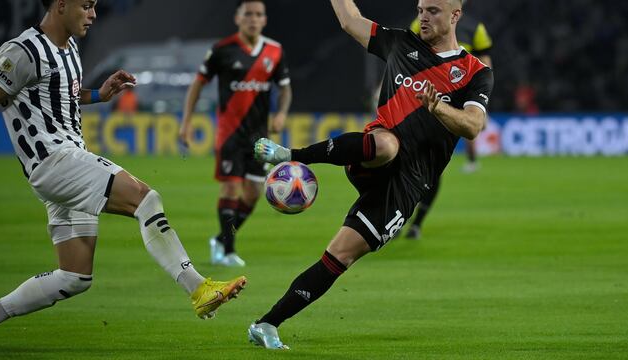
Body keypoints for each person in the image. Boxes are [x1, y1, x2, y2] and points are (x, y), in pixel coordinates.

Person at [247, 0, 494, 349]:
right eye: (421, 8)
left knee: (340, 255)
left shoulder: (474, 72)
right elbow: (350, 20)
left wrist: (437, 106)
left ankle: (266, 324)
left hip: (410, 182)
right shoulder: (399, 43)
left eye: (433, 10)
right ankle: (292, 155)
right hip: (372, 156)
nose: (423, 15)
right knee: (387, 144)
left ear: (455, 16)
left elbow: (472, 126)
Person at [0, 0, 245, 326]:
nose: (93, 14)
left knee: (74, 277)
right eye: (85, 5)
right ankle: (198, 289)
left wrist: (99, 94)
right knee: (145, 198)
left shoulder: (69, 48)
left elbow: (61, 93)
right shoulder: (23, 51)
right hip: (55, 160)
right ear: (60, 5)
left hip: (64, 162)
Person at [179, 0, 292, 267]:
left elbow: (285, 87)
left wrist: (281, 114)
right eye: (248, 14)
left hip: (259, 138)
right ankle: (228, 251)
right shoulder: (222, 50)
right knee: (230, 187)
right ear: (237, 18)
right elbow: (197, 85)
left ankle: (220, 238)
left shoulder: (274, 51)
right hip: (229, 134)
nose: (253, 19)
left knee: (252, 194)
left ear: (264, 20)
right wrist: (186, 123)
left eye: (258, 14)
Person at [405, 0, 493, 239]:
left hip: (451, 106)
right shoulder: (421, 22)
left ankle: (416, 223)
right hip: (420, 99)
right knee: (404, 162)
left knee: (433, 169)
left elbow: (484, 63)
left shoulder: (476, 28)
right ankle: (398, 216)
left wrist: (481, 104)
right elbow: (405, 55)